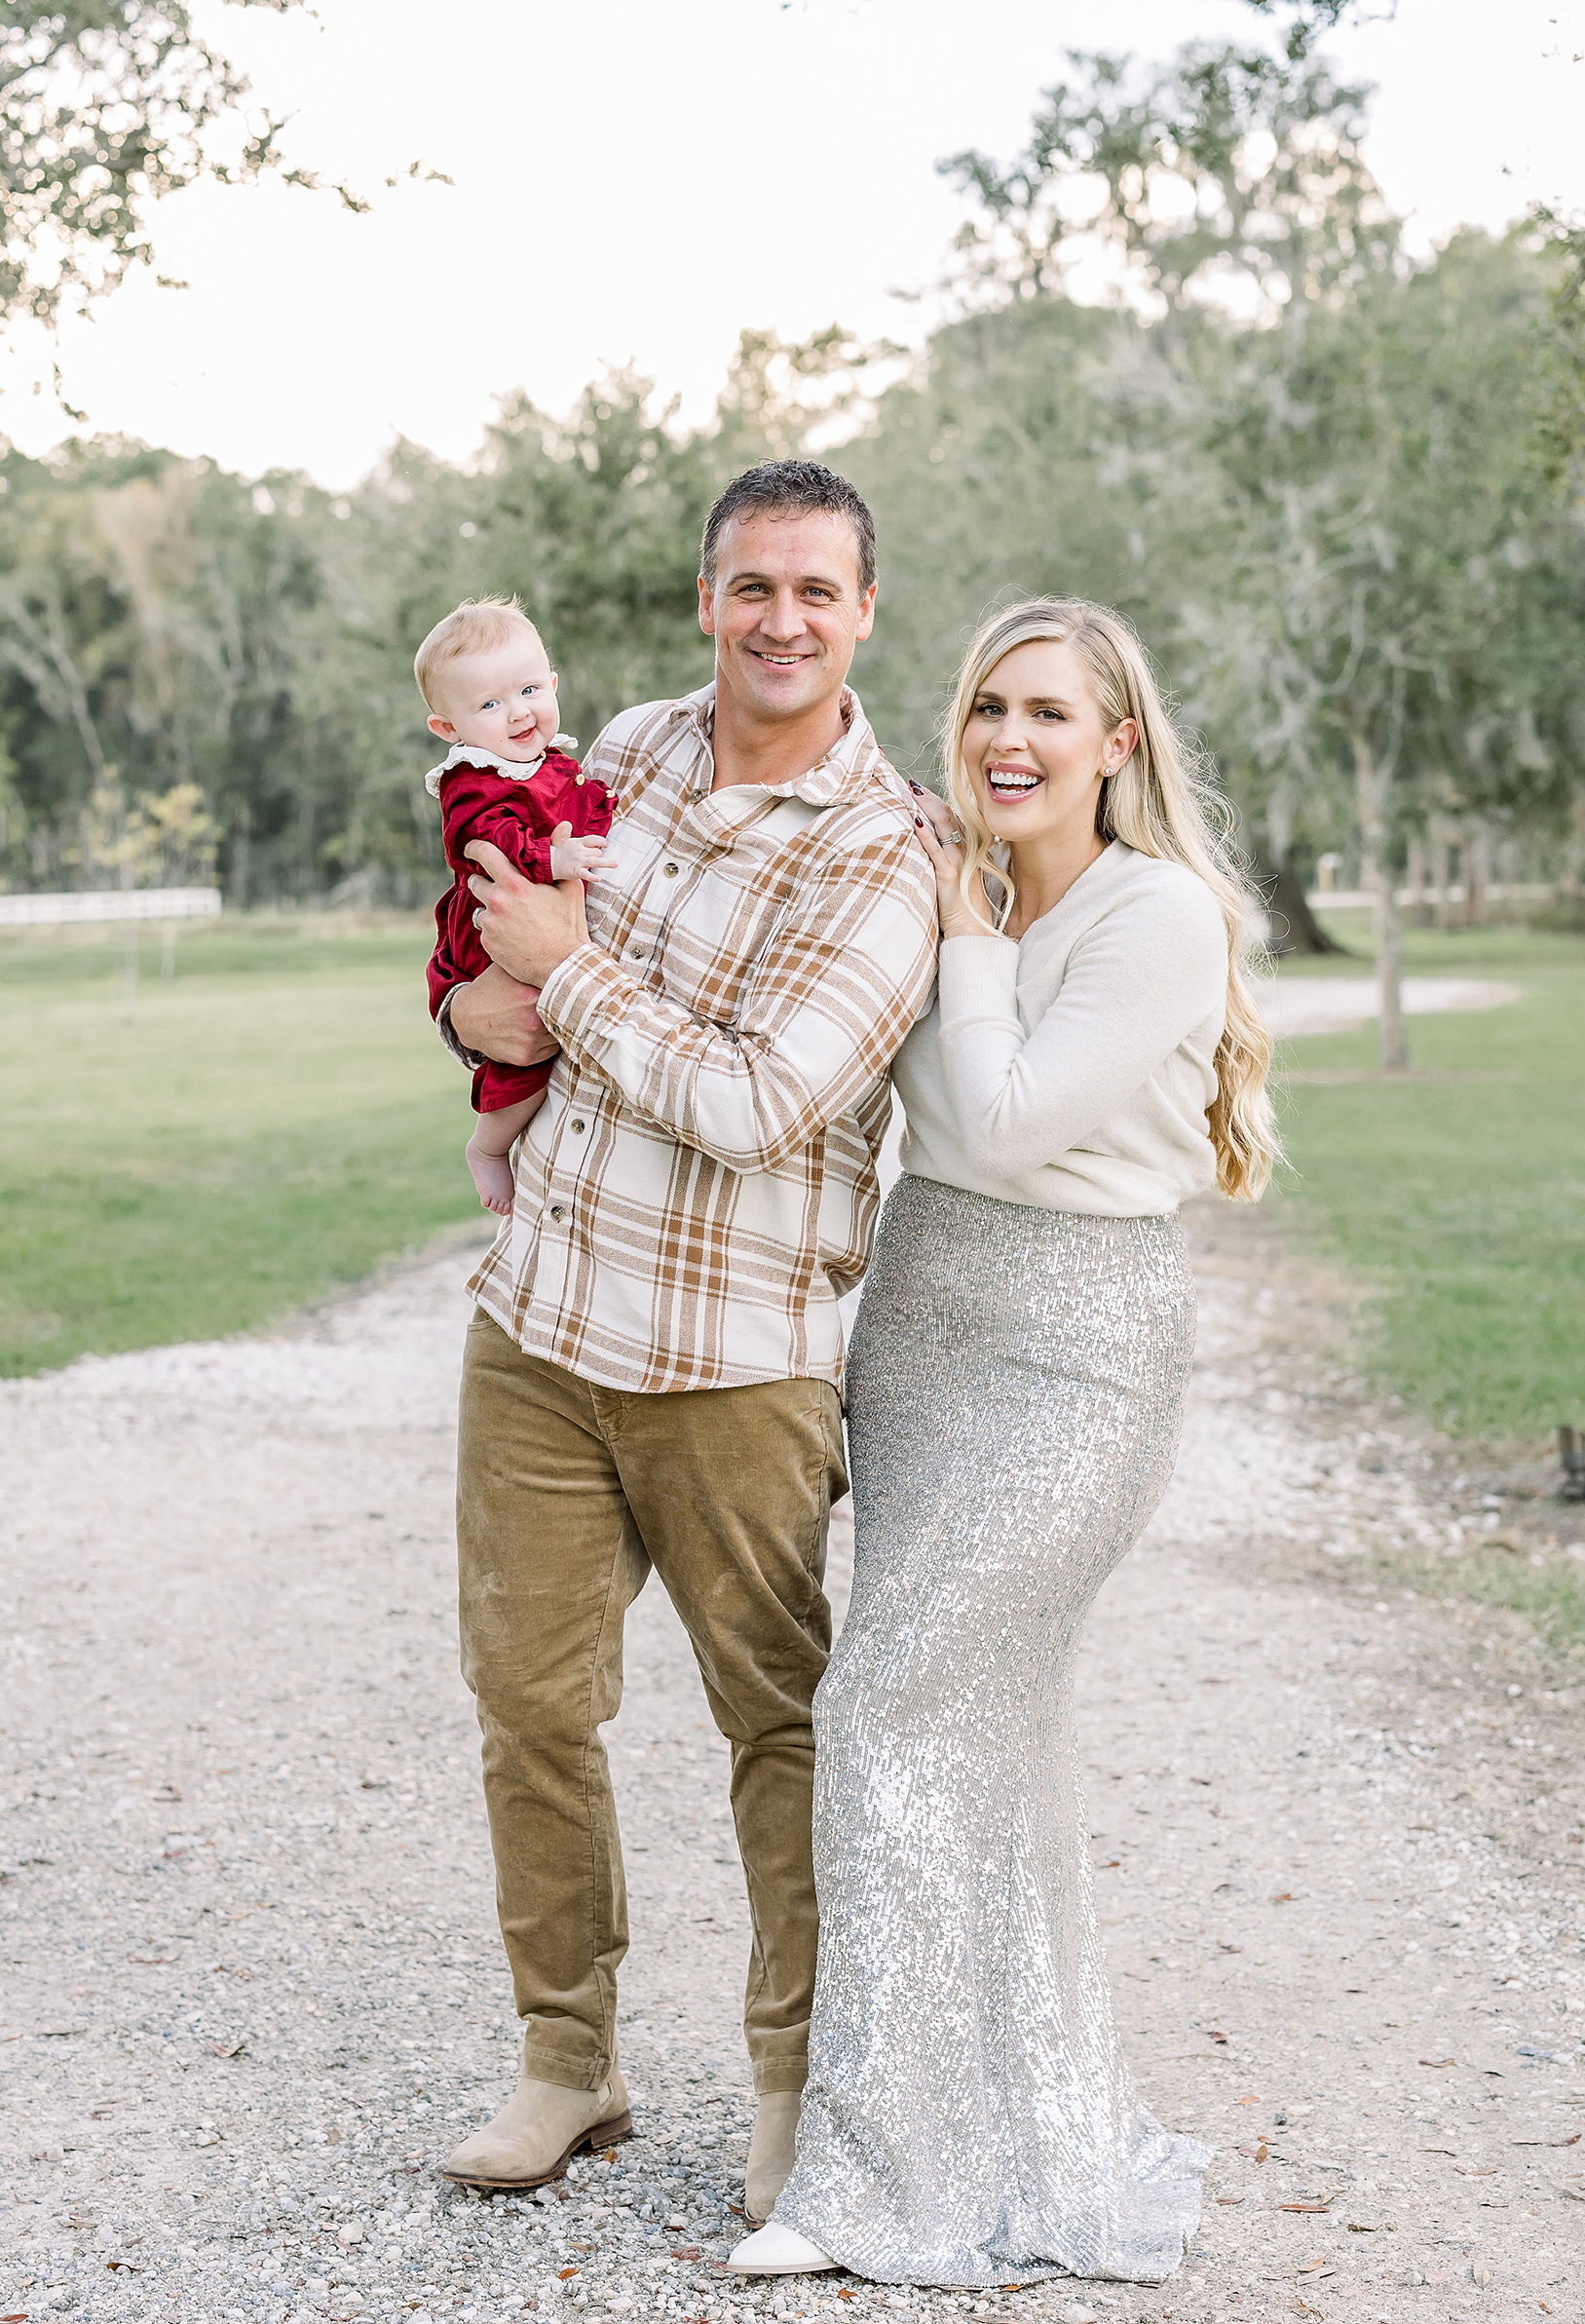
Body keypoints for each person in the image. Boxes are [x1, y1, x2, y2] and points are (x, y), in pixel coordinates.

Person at [729, 596, 1277, 2288]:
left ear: (1120, 742)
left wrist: (970, 967)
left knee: (886, 1699)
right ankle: (1030, 2131)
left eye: (1048, 712)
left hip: (1074, 1359)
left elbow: (1017, 1120)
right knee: (985, 1749)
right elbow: (914, 1113)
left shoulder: (1157, 915)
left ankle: (865, 2181)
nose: (1008, 741)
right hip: (924, 1335)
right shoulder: (954, 892)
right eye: (985, 708)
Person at [433, 463, 938, 2217]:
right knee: (530, 1714)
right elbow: (492, 955)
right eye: (751, 589)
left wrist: (569, 978)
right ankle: (568, 2061)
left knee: (778, 1729)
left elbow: (760, 1099)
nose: (781, 621)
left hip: (741, 1362)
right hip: (545, 1329)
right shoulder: (623, 754)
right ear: (704, 599)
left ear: (864, 611)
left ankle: (800, 2088)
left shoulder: (895, 848)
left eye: (816, 591)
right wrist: (475, 1007)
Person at [420, 597, 617, 1213]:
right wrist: (552, 859)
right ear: (448, 728)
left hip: (547, 916)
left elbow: (582, 807)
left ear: (553, 683)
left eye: (530, 688)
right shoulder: (473, 779)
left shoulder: (554, 760)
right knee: (525, 1041)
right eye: (488, 704)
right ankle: (489, 1144)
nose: (517, 711)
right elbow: (483, 838)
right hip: (490, 932)